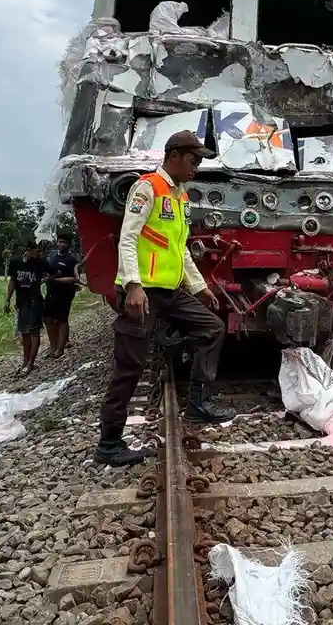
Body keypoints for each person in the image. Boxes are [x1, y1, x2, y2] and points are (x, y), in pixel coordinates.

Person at [95, 131, 235, 467]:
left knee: (212, 328)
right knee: (130, 366)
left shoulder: (180, 196)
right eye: (193, 160)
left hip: (169, 292)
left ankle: (199, 405)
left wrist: (199, 286)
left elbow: (180, 248)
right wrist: (132, 285)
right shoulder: (148, 188)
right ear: (173, 156)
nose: (196, 167)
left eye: (199, 161)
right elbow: (127, 239)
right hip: (142, 294)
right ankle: (109, 443)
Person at [5, 242, 49, 376]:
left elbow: (55, 272)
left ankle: (31, 363)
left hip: (35, 301)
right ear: (29, 250)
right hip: (21, 301)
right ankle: (25, 361)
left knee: (34, 331)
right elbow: (13, 280)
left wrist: (43, 281)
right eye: (37, 250)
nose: (39, 253)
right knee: (24, 332)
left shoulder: (40, 262)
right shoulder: (16, 262)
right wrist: (7, 299)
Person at [43, 232, 81, 361]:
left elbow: (75, 279)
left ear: (69, 244)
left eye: (64, 242)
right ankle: (52, 347)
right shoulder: (52, 256)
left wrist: (54, 280)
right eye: (59, 242)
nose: (61, 244)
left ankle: (60, 349)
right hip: (51, 292)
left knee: (61, 320)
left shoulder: (72, 259)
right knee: (48, 318)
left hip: (65, 294)